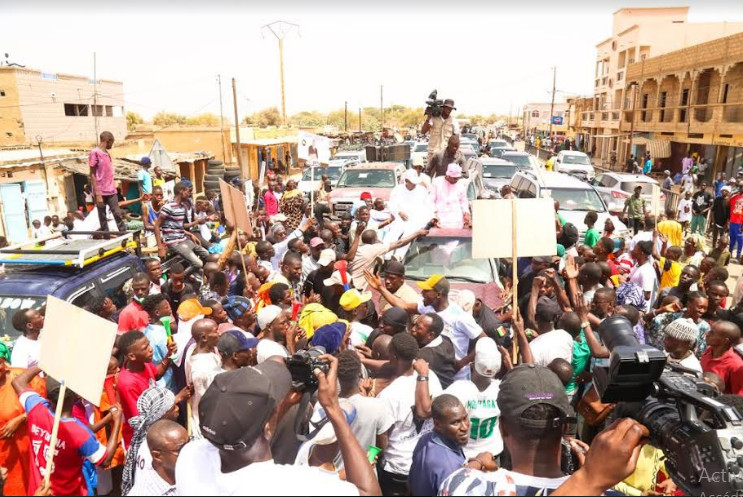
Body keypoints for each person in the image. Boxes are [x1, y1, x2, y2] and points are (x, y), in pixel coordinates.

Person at [175, 356, 380, 495]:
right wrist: (333, 408)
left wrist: (279, 408)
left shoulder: (190, 456)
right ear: (266, 428)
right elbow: (367, 492)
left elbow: (250, 436)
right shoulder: (294, 486)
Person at [440, 365, 578, 495]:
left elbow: (458, 482)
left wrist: (477, 462)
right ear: (565, 428)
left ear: (503, 428)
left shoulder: (463, 488)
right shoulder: (591, 488)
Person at [12, 367, 123, 496]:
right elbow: (105, 459)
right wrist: (116, 421)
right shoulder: (79, 433)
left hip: (38, 491)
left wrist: (45, 365)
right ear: (75, 395)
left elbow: (18, 382)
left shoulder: (36, 408)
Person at [377, 333, 441, 495]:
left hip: (397, 468)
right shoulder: (429, 376)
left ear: (394, 356)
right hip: (426, 462)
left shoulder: (388, 395)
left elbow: (382, 440)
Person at [410, 394, 498, 497]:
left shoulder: (425, 440)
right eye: (455, 422)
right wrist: (479, 463)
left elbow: (411, 483)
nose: (465, 427)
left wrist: (477, 462)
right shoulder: (450, 467)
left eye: (465, 418)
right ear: (438, 424)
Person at [444, 337, 504, 460]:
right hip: (492, 454)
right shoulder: (502, 389)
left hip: (465, 455)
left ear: (472, 364)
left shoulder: (458, 389)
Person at [120, 385, 184, 496]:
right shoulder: (156, 447)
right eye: (173, 407)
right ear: (162, 414)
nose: (177, 408)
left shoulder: (144, 437)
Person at [117, 330, 177, 448]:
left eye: (149, 344)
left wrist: (169, 355)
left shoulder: (143, 363)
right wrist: (176, 399)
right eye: (145, 348)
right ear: (132, 356)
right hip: (141, 439)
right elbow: (142, 420)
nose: (150, 349)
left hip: (155, 428)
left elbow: (156, 374)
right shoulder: (127, 383)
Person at [0, 346, 45, 496]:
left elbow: (45, 404)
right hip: (5, 460)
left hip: (30, 450)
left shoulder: (21, 377)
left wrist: (22, 418)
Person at [336, 351, 394, 463]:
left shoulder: (322, 407)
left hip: (332, 476)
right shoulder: (376, 406)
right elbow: (382, 446)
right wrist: (369, 461)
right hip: (365, 475)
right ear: (359, 374)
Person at [349, 228, 427, 291]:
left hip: (349, 285)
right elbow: (399, 243)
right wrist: (417, 233)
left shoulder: (357, 248)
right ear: (374, 240)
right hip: (357, 289)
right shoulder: (374, 249)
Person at [154, 182, 209, 269]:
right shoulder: (168, 207)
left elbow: (179, 226)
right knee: (198, 264)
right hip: (174, 242)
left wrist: (190, 234)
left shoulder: (182, 207)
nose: (189, 194)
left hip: (184, 239)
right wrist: (160, 247)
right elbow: (156, 226)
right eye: (188, 191)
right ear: (181, 191)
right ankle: (178, 278)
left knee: (207, 255)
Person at [127, 419, 188, 496]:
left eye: (188, 444)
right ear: (157, 456)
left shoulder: (191, 475)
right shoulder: (143, 493)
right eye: (180, 449)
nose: (188, 451)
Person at [89, 131, 126, 232]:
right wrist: (98, 194)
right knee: (102, 215)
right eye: (111, 143)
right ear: (107, 141)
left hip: (111, 190)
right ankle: (106, 236)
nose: (111, 145)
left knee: (117, 213)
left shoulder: (107, 154)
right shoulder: (95, 152)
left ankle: (123, 234)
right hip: (100, 191)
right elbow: (92, 174)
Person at [412, 312, 458, 390]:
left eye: (418, 327)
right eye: (415, 324)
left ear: (430, 335)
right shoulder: (445, 340)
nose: (413, 329)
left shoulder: (423, 356)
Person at [701, 321, 743, 394]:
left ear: (725, 341)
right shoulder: (709, 350)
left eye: (712, 333)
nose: (707, 334)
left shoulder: (735, 365)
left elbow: (738, 397)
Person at [431, 164, 470, 229]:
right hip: (440, 219)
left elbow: (464, 201)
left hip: (456, 220)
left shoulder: (460, 185)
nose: (456, 180)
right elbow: (431, 200)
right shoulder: (437, 182)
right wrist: (434, 215)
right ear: (448, 175)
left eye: (457, 178)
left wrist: (466, 212)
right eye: (454, 178)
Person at [421, 98, 460, 163]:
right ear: (443, 107)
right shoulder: (433, 118)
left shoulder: (454, 121)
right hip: (433, 153)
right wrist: (428, 117)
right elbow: (423, 131)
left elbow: (456, 139)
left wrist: (456, 152)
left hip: (446, 155)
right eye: (447, 108)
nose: (448, 110)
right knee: (430, 172)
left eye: (450, 109)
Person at [629, 241, 658, 313]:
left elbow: (647, 295)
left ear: (641, 253)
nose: (632, 251)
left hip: (639, 310)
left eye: (635, 249)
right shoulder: (637, 266)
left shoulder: (646, 271)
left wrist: (627, 289)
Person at [730, 186, 743, 261]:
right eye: (740, 187)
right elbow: (728, 202)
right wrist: (733, 193)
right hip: (732, 221)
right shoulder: (735, 197)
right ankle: (730, 253)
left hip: (740, 223)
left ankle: (738, 255)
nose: (741, 189)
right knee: (732, 239)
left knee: (740, 240)